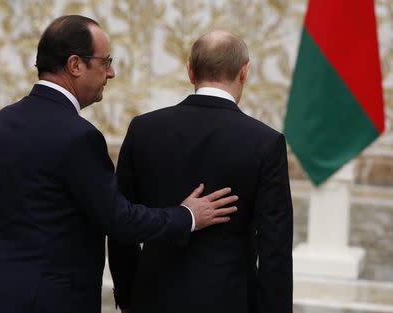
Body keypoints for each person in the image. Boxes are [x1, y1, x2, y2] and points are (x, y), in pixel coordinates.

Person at [0, 16, 239, 313]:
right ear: (75, 65)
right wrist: (187, 216)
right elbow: (118, 220)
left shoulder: (1, 122)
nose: (111, 72)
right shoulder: (79, 137)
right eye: (105, 61)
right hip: (48, 301)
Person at [108, 30, 293, 313]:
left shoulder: (144, 130)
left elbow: (122, 225)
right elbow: (275, 247)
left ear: (190, 71)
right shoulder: (266, 142)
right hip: (228, 300)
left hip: (152, 296)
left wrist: (128, 294)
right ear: (244, 72)